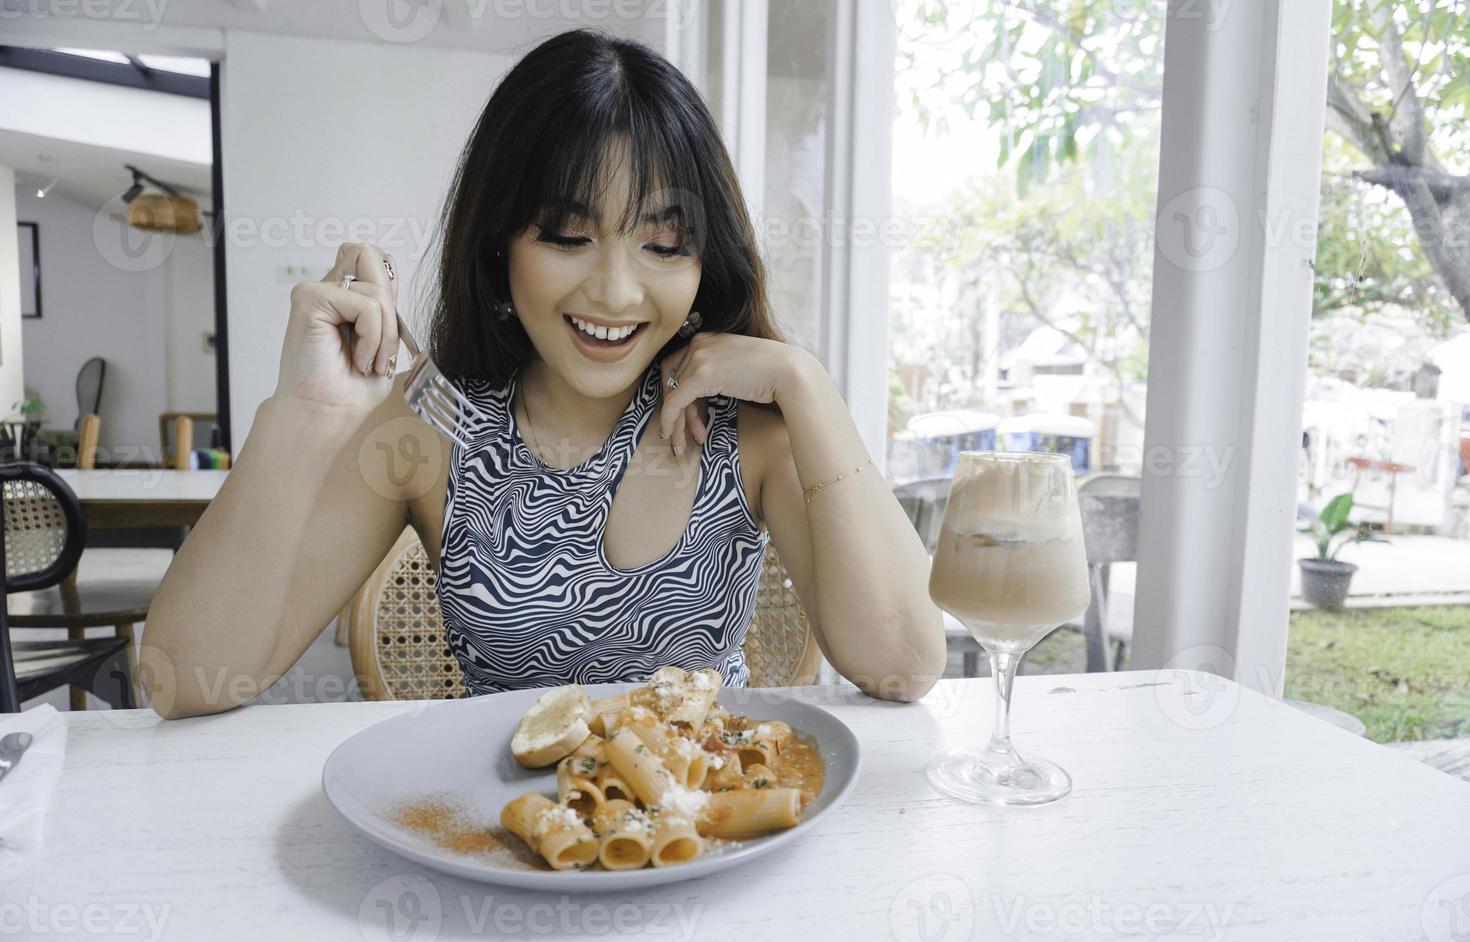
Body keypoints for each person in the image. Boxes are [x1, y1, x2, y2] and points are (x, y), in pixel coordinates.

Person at [141, 28, 945, 718]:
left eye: (663, 244)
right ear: (499, 241)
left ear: (707, 260)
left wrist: (808, 384)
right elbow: (184, 679)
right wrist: (305, 413)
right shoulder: (429, 426)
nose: (617, 291)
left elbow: (905, 665)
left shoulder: (754, 433)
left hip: (710, 838)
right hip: (500, 851)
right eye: (567, 234)